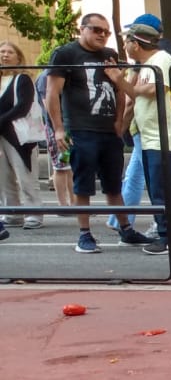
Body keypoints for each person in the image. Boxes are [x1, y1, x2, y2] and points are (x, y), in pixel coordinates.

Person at [46, 13, 156, 253]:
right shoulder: (65, 54)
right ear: (82, 29)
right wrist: (58, 129)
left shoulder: (109, 55)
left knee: (114, 184)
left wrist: (119, 121)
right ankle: (84, 235)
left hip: (108, 129)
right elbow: (52, 93)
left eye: (106, 32)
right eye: (97, 30)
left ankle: (125, 229)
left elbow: (118, 90)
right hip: (80, 128)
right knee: (83, 184)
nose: (102, 35)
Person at [105, 22, 171, 255]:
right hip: (151, 137)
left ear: (136, 43)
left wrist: (121, 81)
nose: (125, 45)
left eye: (127, 41)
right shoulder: (146, 64)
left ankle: (170, 238)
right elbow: (136, 94)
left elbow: (153, 90)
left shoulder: (161, 60)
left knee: (163, 190)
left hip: (163, 139)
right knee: (159, 189)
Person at [0, 41, 43, 230]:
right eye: (2, 51)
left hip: (19, 137)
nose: (5, 55)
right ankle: (12, 214)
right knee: (3, 178)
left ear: (18, 58)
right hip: (1, 136)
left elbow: (22, 107)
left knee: (25, 176)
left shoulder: (22, 79)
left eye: (10, 52)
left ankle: (34, 214)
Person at [34, 69, 73, 209]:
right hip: (56, 128)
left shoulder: (63, 73)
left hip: (68, 127)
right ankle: (63, 205)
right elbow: (48, 104)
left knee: (70, 167)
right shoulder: (47, 76)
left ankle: (74, 204)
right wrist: (59, 129)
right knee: (61, 167)